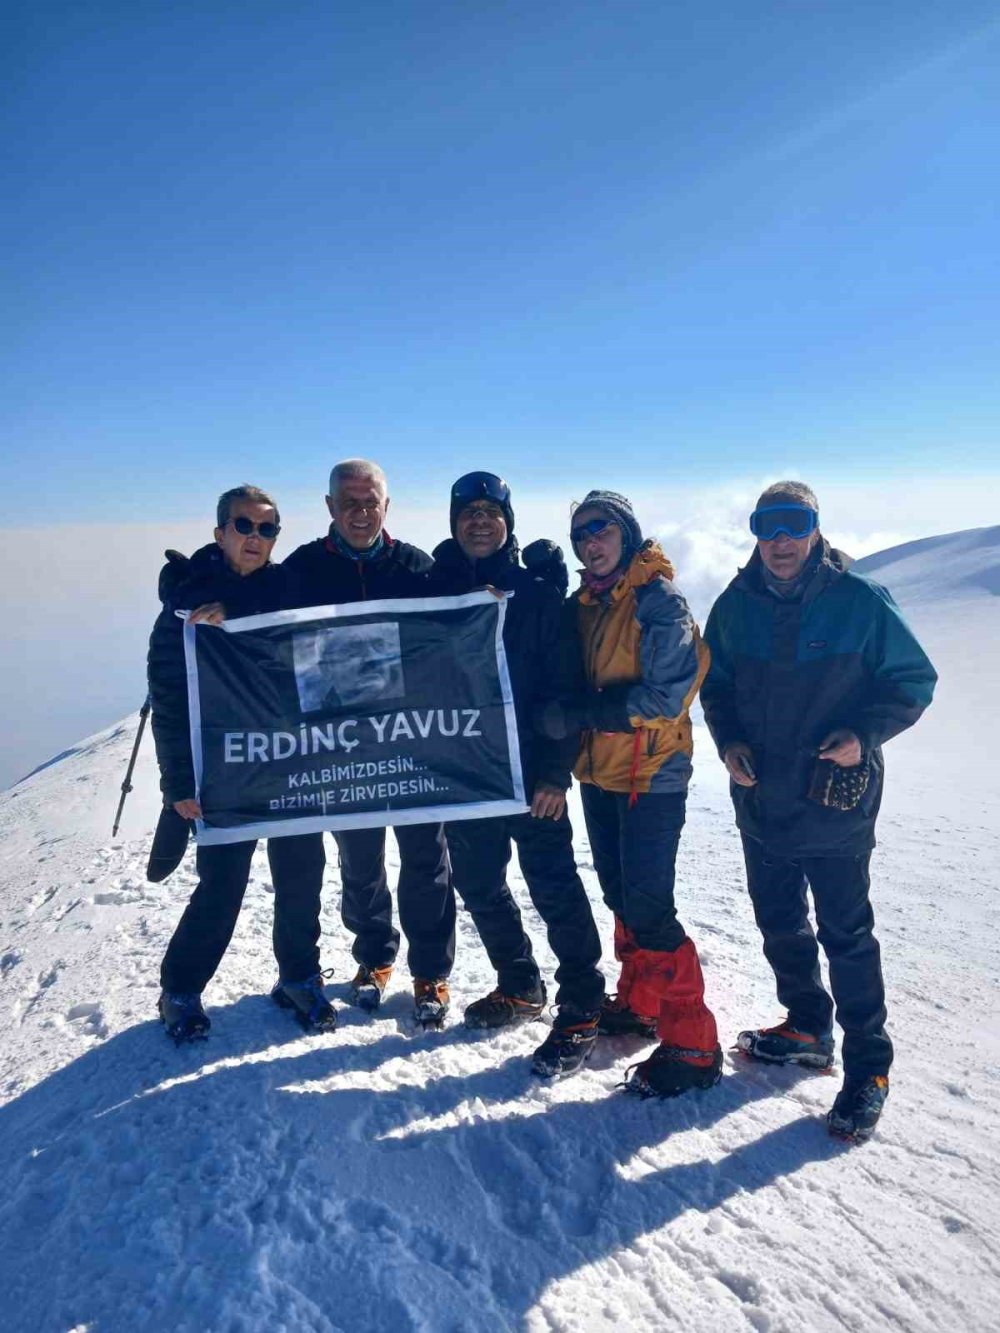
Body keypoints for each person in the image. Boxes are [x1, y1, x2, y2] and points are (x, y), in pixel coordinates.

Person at [700, 481, 937, 1141]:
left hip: (835, 801)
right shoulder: (734, 606)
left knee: (847, 935)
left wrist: (865, 733)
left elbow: (914, 680)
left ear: (814, 528)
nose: (780, 540)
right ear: (754, 531)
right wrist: (730, 743)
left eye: (794, 524)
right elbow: (714, 688)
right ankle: (806, 1024)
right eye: (767, 525)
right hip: (760, 797)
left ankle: (869, 1068)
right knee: (778, 920)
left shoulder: (859, 602)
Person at [542, 489, 721, 1098]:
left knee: (646, 903)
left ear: (626, 533)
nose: (591, 542)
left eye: (602, 530)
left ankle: (693, 1042)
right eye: (582, 535)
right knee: (620, 891)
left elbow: (666, 697)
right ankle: (641, 1003)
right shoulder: (588, 604)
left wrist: (583, 715)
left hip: (652, 774)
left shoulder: (657, 601)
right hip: (604, 773)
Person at [429, 472, 605, 1077]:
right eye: (468, 511)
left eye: (492, 512)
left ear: (508, 521)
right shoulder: (432, 588)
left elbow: (564, 686)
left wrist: (557, 774)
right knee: (476, 880)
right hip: (467, 771)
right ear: (454, 521)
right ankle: (520, 982)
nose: (480, 521)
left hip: (531, 771)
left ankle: (583, 1001)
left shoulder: (534, 595)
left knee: (552, 883)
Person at [148, 485, 333, 1041]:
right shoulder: (185, 605)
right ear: (220, 532)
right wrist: (177, 782)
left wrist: (241, 612)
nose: (255, 538)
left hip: (291, 763)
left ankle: (298, 976)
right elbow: (169, 699)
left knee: (302, 876)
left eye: (267, 528)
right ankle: (180, 987)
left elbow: (317, 642)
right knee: (223, 884)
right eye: (244, 525)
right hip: (224, 770)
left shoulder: (287, 590)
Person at [281, 459, 456, 1026]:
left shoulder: (417, 567)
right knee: (359, 862)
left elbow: (463, 627)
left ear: (388, 505)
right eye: (349, 502)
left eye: (371, 501)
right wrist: (201, 587)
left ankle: (430, 972)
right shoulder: (301, 568)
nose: (361, 512)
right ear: (329, 507)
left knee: (426, 859)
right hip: (342, 750)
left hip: (411, 745)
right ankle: (375, 958)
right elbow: (253, 618)